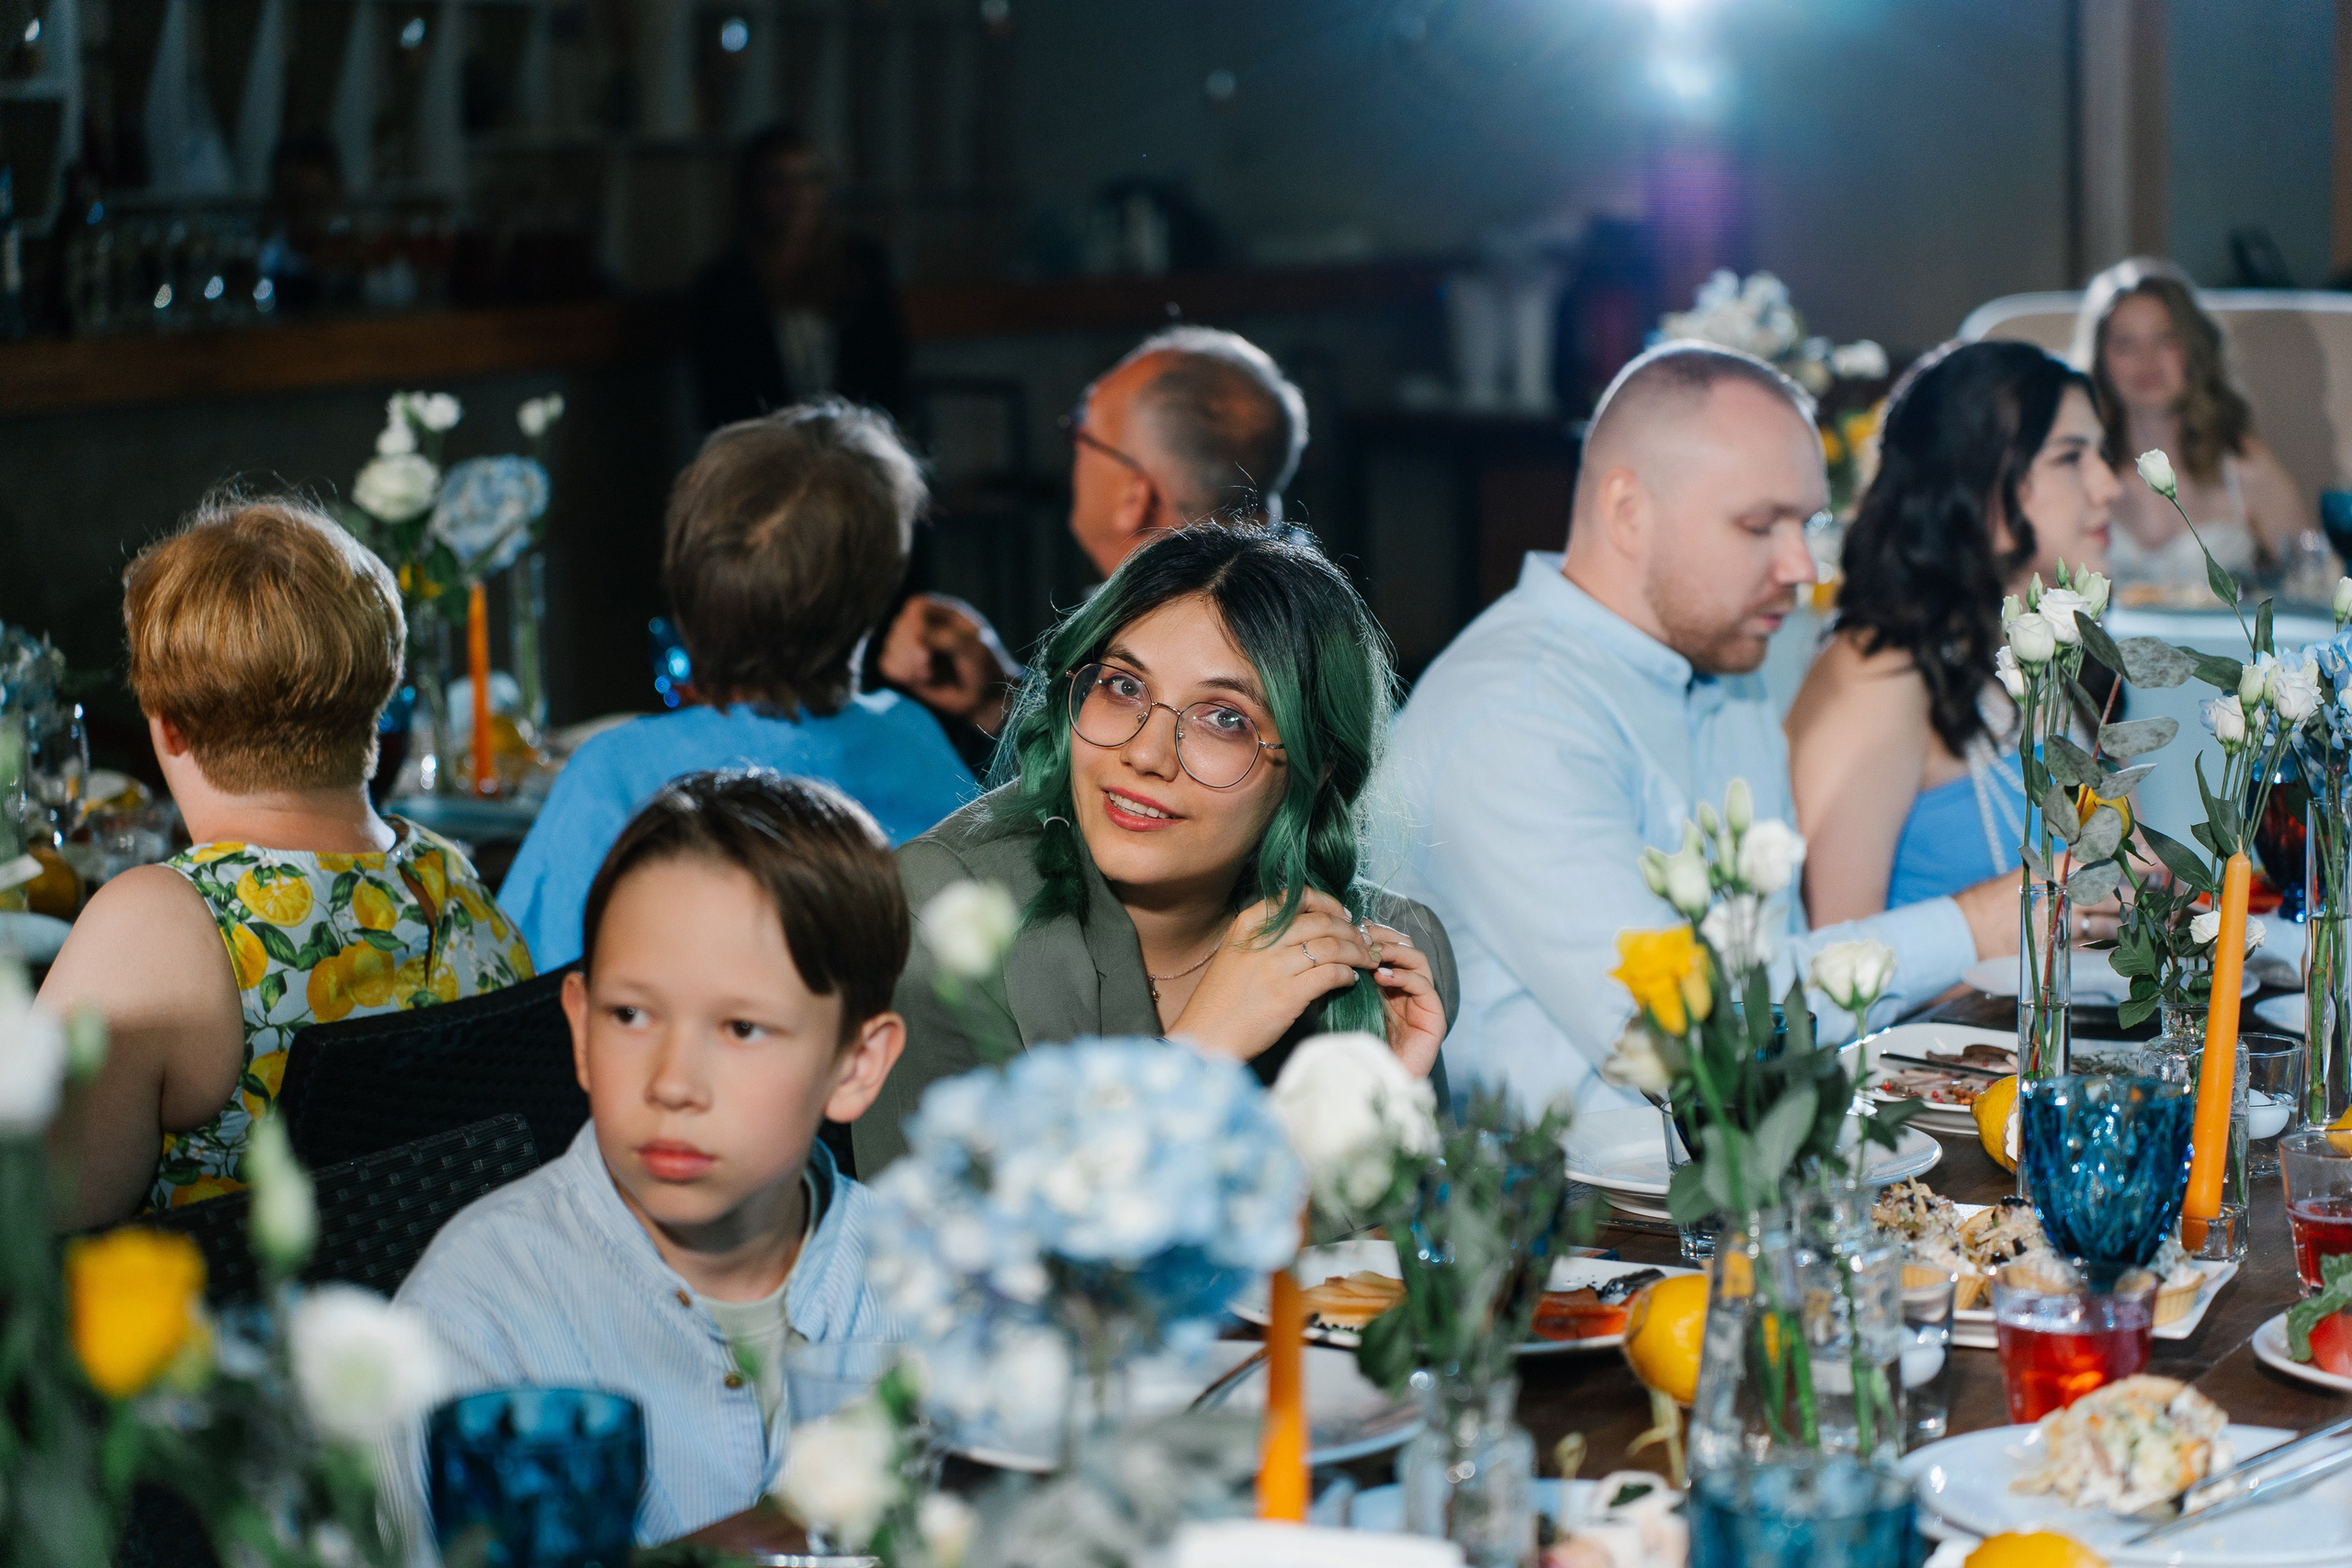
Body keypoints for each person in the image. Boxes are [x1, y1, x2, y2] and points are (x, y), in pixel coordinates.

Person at [1377, 343, 2023, 1118]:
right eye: (1760, 524)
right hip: (1574, 1217)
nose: (1803, 566)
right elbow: (1692, 1034)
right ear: (1627, 512)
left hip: (1737, 1172)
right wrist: (1975, 922)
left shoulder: (1728, 665)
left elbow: (1769, 981)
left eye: (1808, 522)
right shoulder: (1513, 713)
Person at [395, 771, 910, 1544]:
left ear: (856, 1064)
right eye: (631, 1014)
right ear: (579, 1029)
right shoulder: (477, 1316)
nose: (672, 1083)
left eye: (741, 1028)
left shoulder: (934, 1285)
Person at [855, 523, 1455, 1174]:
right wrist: (1196, 1059)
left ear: (1319, 768)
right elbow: (938, 1260)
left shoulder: (1387, 957)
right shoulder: (939, 911)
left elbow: (1401, 1270)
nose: (1143, 753)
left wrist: (1382, 1124)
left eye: (1224, 718)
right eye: (1123, 686)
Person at [40, 496, 531, 1224]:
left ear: (168, 728)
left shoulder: (160, 924)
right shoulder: (456, 881)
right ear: (377, 694)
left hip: (229, 1330)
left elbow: (28, 1210)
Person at [500, 400, 975, 969]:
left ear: (687, 574)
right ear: (881, 589)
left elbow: (519, 990)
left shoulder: (613, 773)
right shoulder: (913, 737)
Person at [1786, 341, 2120, 921]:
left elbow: (2112, 876)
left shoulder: (2054, 652)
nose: (2110, 486)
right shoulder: (1879, 673)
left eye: (2101, 455)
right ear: (1975, 481)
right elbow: (1832, 964)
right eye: (2070, 458)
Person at [873, 327, 1309, 752]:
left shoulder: (1183, 651)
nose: (1072, 452)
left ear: (1133, 496)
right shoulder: (1286, 606)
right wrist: (997, 698)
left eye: (1082, 434)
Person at [2074, 258, 2307, 594]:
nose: (2147, 360)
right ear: (2100, 358)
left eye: (2165, 339)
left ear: (2193, 350)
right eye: (2126, 344)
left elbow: (2312, 583)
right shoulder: (2074, 470)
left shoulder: (2244, 465)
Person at [689, 121, 910, 429]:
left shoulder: (861, 265)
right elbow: (724, 396)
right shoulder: (724, 285)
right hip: (764, 450)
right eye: (777, 182)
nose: (795, 196)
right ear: (751, 192)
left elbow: (888, 374)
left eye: (808, 180)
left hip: (857, 441)